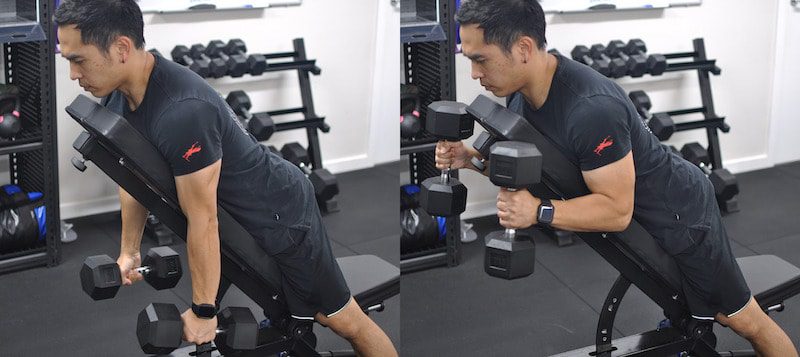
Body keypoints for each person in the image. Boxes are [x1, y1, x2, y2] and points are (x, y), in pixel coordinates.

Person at [434, 0, 798, 355]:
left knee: (743, 320)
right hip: (640, 209)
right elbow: (539, 166)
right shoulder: (521, 94)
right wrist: (470, 159)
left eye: (480, 59)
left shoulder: (591, 109)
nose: (474, 74)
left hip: (681, 214)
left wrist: (539, 211)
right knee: (682, 311)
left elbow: (615, 212)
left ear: (523, 48)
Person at [54, 1, 397, 356]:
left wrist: (204, 311)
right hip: (240, 213)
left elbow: (203, 219)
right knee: (284, 316)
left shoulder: (182, 112)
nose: (73, 74)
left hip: (283, 213)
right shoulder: (119, 96)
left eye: (77, 60)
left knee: (342, 320)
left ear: (121, 48)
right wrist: (129, 251)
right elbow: (132, 177)